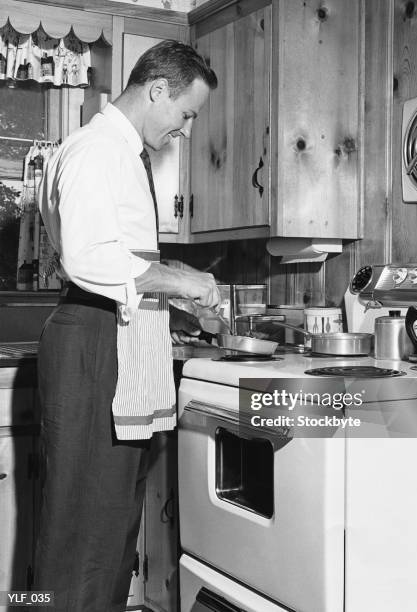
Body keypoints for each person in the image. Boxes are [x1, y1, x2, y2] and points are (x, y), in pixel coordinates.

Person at [33, 40, 218, 612]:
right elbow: (88, 259)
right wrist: (181, 281)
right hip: (94, 342)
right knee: (81, 526)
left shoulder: (122, 152)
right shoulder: (95, 150)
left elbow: (125, 258)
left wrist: (179, 293)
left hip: (114, 340)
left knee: (111, 523)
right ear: (157, 89)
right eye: (186, 113)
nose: (185, 129)